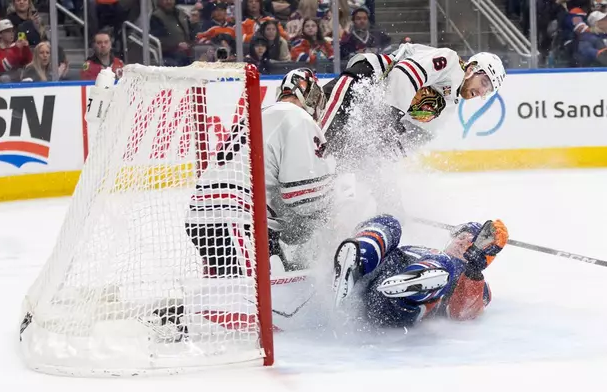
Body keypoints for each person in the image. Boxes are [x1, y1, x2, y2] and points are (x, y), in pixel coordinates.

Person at [185, 68, 333, 277]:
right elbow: (302, 198)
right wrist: (332, 208)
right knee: (257, 300)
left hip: (210, 214)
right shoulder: (297, 117)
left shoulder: (260, 114)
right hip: (236, 219)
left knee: (273, 280)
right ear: (309, 95)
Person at [318, 44, 507, 158]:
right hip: (367, 79)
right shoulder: (450, 62)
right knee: (319, 135)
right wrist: (390, 119)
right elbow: (404, 73)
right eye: (484, 82)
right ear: (472, 68)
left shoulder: (448, 107)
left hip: (369, 111)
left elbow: (414, 138)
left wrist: (383, 160)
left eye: (488, 90)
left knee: (341, 158)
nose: (482, 91)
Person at [332, 214, 508, 327]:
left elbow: (463, 312)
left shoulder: (471, 279)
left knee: (443, 264)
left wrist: (474, 270)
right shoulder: (424, 250)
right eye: (461, 237)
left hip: (392, 307)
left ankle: (413, 285)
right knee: (390, 223)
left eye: (470, 243)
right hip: (373, 275)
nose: (462, 242)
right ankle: (357, 261)